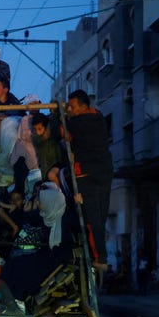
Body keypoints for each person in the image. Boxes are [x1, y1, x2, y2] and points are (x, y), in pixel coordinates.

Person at [65, 89, 113, 271]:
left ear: (83, 106)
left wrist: (60, 114)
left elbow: (60, 131)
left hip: (86, 174)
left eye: (73, 106)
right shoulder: (98, 117)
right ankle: (101, 255)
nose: (70, 109)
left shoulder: (76, 123)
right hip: (105, 172)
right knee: (100, 216)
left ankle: (99, 258)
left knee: (92, 220)